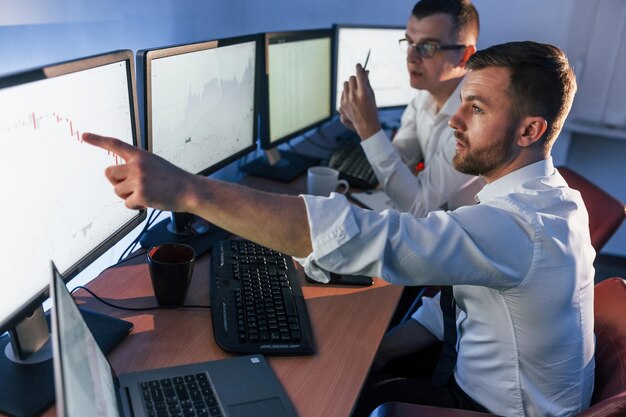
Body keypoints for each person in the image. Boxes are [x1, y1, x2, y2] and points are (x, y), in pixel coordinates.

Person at [84, 41, 595, 417]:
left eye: (477, 108)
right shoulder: (550, 199)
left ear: (531, 130)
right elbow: (464, 296)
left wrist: (189, 191)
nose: (455, 120)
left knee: (328, 403)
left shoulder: (517, 228)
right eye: (463, 100)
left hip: (498, 411)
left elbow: (369, 238)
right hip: (495, 382)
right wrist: (386, 348)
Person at [340, 0, 484, 216]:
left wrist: (369, 129)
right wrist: (363, 125)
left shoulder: (476, 120)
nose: (410, 57)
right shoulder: (422, 98)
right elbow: (400, 160)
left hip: (464, 238)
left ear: (465, 55)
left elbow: (420, 206)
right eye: (409, 43)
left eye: (427, 47)